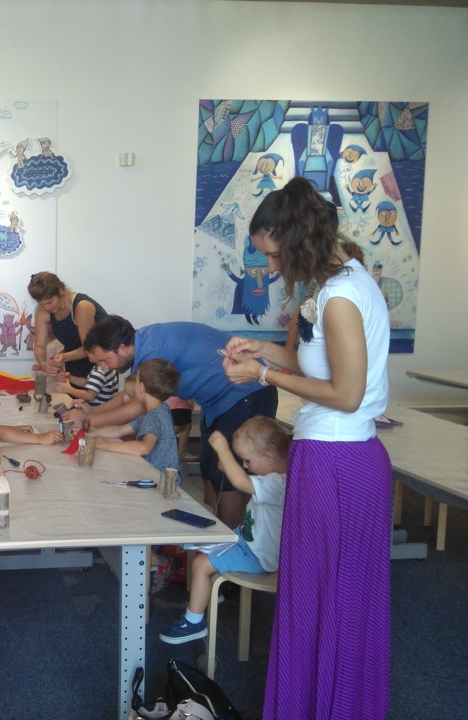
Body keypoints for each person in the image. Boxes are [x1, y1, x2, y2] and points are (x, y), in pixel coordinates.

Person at [221, 177, 391, 719]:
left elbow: (346, 394)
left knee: (325, 601)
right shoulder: (340, 283)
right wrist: (264, 351)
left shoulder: (340, 298)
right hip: (339, 457)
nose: (271, 268)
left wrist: (262, 374)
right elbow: (319, 365)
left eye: (274, 255)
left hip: (337, 462)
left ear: (297, 241)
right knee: (325, 600)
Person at [71, 316, 277, 529]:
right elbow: (129, 396)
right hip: (217, 401)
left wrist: (88, 420)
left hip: (245, 393)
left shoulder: (153, 351)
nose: (104, 368)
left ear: (122, 348)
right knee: (209, 470)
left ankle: (229, 541)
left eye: (104, 360)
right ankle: (213, 534)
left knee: (226, 476)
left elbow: (136, 406)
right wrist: (92, 412)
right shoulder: (143, 346)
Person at [159, 416, 288, 644]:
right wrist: (230, 466)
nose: (245, 466)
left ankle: (194, 623)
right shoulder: (275, 477)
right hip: (247, 542)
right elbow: (244, 479)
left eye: (247, 460)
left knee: (201, 564)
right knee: (200, 543)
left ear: (269, 457)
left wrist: (223, 450)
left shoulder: (278, 483)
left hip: (257, 555)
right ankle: (210, 592)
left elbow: (242, 483)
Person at [94, 359, 182, 482]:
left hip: (161, 483)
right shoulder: (156, 411)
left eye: (136, 380)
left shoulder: (154, 417)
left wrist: (106, 445)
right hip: (157, 479)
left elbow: (144, 447)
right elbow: (119, 430)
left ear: (141, 387)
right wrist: (91, 433)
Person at [27, 271, 107, 386]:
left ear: (61, 291)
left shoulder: (82, 307)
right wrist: (43, 364)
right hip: (73, 364)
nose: (47, 308)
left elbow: (89, 348)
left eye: (50, 302)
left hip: (100, 365)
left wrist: (64, 356)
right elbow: (40, 346)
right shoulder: (43, 310)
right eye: (43, 304)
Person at [53, 364, 118, 406]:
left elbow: (89, 396)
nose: (86, 353)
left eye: (89, 352)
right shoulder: (101, 367)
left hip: (98, 413)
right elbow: (87, 382)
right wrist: (70, 378)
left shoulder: (99, 372)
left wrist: (69, 389)